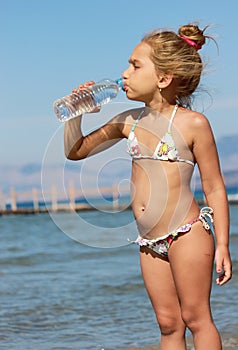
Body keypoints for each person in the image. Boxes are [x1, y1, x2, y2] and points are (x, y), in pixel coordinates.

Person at [64, 23, 232, 350]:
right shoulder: (128, 121)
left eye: (135, 65)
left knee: (196, 318)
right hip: (149, 240)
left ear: (163, 78)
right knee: (168, 325)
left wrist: (223, 244)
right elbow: (76, 151)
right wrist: (75, 115)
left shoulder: (192, 123)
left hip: (187, 232)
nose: (124, 73)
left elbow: (214, 187)